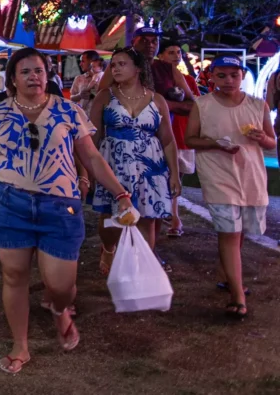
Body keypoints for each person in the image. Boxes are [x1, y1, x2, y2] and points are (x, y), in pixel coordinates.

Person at [0, 48, 135, 374]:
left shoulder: (68, 111)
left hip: (60, 208)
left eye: (39, 70)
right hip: (10, 203)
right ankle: (20, 345)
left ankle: (60, 310)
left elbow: (93, 158)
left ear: (48, 75)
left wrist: (120, 194)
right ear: (12, 79)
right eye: (25, 71)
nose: (33, 76)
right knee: (14, 277)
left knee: (60, 286)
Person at [186, 56, 276, 319]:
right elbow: (190, 138)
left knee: (239, 233)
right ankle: (237, 294)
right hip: (218, 175)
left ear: (242, 76)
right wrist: (215, 144)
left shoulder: (258, 105)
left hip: (250, 176)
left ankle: (227, 273)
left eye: (234, 75)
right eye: (221, 75)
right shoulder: (202, 105)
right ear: (211, 76)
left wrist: (262, 138)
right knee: (229, 232)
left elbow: (271, 142)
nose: (228, 81)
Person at [89, 48, 180, 275]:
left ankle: (139, 270)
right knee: (110, 217)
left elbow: (168, 140)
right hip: (113, 163)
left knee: (148, 218)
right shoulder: (104, 96)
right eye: (114, 65)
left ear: (138, 68)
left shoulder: (157, 100)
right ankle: (109, 248)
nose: (116, 68)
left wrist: (175, 173)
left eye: (122, 64)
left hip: (150, 166)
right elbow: (93, 136)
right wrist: (88, 170)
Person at [159, 41, 200, 237]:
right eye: (171, 52)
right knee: (162, 177)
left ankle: (173, 214)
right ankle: (172, 217)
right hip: (163, 137)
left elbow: (196, 107)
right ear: (161, 57)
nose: (176, 56)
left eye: (178, 52)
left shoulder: (188, 81)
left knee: (177, 179)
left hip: (182, 135)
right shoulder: (155, 83)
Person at [69, 51, 104, 117]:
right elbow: (71, 98)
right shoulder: (79, 78)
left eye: (83, 61)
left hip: (101, 118)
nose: (80, 64)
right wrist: (80, 95)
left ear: (91, 62)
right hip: (83, 118)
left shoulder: (104, 77)